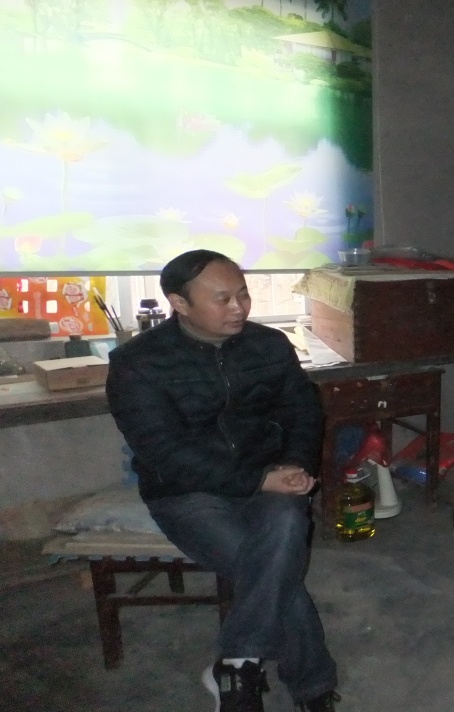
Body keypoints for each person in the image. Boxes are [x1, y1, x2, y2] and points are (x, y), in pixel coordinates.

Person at [106, 250, 340, 712]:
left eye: (243, 295)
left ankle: (235, 666)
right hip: (187, 492)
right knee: (277, 572)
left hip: (269, 476)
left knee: (281, 537)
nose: (239, 307)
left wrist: (294, 464)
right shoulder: (138, 362)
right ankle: (313, 688)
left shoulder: (269, 345)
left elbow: (302, 411)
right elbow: (164, 453)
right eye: (222, 298)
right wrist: (257, 481)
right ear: (179, 303)